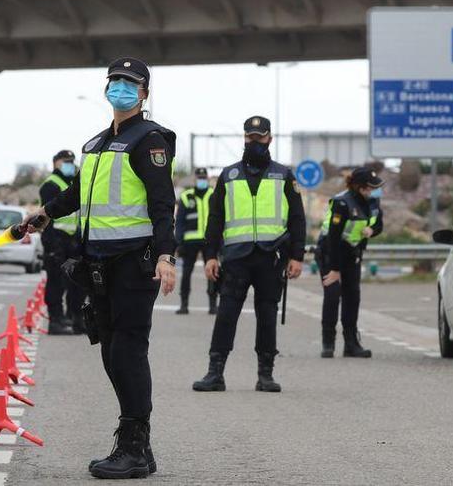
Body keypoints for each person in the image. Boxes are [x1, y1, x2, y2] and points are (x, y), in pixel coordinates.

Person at [22, 57, 177, 480]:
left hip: (134, 261)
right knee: (110, 350)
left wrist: (166, 256)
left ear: (144, 93)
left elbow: (163, 204)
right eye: (115, 82)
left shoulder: (151, 140)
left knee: (128, 349)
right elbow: (77, 193)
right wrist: (44, 215)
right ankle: (137, 446)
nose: (121, 89)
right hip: (98, 262)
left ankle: (133, 445)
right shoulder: (94, 145)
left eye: (130, 83)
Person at [192, 115, 305, 393]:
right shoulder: (228, 176)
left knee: (267, 316)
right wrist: (210, 256)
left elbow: (298, 219)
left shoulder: (284, 176)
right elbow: (215, 219)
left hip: (271, 257)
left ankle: (265, 374)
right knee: (226, 315)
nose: (255, 142)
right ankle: (214, 373)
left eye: (260, 137)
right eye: (250, 137)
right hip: (236, 258)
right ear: (244, 138)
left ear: (269, 139)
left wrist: (297, 256)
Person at [315, 167, 384, 358]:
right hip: (330, 252)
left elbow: (378, 224)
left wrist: (372, 231)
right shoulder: (342, 203)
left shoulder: (373, 203)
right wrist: (335, 269)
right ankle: (328, 342)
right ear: (357, 186)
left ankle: (351, 343)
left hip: (353, 253)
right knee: (332, 294)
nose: (371, 191)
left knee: (352, 296)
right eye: (368, 187)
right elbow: (334, 238)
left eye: (373, 188)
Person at [39, 150, 83, 335]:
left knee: (75, 282)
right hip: (56, 240)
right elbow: (46, 217)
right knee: (56, 283)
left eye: (72, 161)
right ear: (56, 163)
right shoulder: (51, 185)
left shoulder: (73, 184)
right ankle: (55, 320)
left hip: (72, 242)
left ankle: (74, 317)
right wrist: (51, 246)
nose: (70, 164)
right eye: (66, 161)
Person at [174, 167, 217, 315]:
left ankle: (213, 305)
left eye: (204, 178)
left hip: (209, 241)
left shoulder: (214, 195)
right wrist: (178, 243)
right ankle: (184, 304)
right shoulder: (186, 197)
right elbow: (179, 222)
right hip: (190, 242)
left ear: (207, 178)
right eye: (199, 178)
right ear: (194, 179)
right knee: (186, 274)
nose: (201, 180)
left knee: (212, 272)